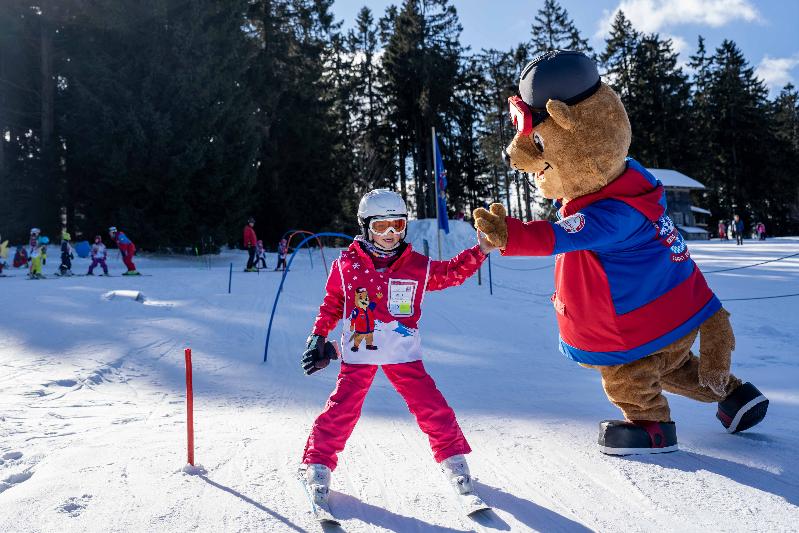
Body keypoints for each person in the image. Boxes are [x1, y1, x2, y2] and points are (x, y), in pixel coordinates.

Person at [299, 189, 495, 515]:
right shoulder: (346, 265)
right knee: (341, 409)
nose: (391, 234)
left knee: (433, 408)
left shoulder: (416, 266)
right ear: (365, 226)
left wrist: (481, 251)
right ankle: (318, 464)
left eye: (398, 225)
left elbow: (451, 273)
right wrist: (318, 335)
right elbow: (333, 303)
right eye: (381, 227)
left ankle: (455, 464)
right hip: (359, 352)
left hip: (403, 353)